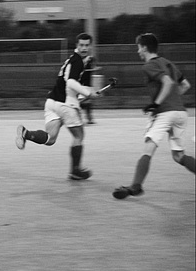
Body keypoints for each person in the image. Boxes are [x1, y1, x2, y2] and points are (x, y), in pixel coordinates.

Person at [112, 33, 194, 199]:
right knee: (179, 156)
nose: (138, 52)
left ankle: (136, 186)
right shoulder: (168, 63)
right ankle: (137, 186)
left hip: (166, 113)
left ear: (144, 47)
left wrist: (157, 104)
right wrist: (173, 99)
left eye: (138, 48)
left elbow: (168, 83)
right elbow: (185, 85)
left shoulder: (149, 65)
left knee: (148, 148)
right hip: (180, 113)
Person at [15, 33, 101, 180]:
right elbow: (72, 83)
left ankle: (26, 134)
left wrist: (83, 93)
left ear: (90, 46)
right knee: (79, 136)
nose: (84, 48)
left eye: (87, 45)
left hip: (52, 102)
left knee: (50, 139)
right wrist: (88, 92)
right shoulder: (78, 61)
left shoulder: (72, 60)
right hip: (64, 105)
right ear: (77, 45)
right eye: (81, 45)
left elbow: (69, 85)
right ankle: (75, 171)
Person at [78, 54, 98, 125]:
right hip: (83, 86)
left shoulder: (88, 66)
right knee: (82, 103)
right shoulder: (84, 66)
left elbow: (91, 68)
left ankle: (89, 119)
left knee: (88, 103)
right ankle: (79, 119)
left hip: (87, 86)